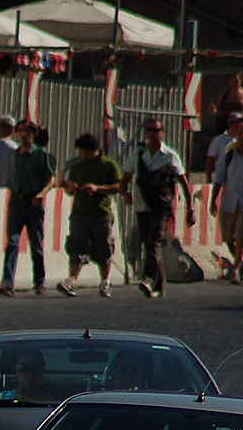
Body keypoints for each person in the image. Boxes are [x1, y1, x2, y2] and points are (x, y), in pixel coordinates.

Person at [123, 118, 194, 299]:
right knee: (149, 245)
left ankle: (147, 278)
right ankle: (159, 286)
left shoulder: (170, 156)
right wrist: (125, 193)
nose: (153, 134)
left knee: (153, 242)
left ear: (162, 132)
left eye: (156, 130)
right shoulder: (138, 155)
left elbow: (184, 183)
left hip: (161, 206)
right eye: (149, 130)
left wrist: (190, 208)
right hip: (142, 205)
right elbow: (125, 177)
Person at [57, 133, 123, 298]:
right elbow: (69, 187)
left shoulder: (109, 165)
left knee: (103, 247)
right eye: (81, 152)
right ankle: (72, 279)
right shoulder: (78, 166)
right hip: (80, 212)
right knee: (75, 246)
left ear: (96, 150)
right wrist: (70, 187)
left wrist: (97, 189)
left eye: (86, 152)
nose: (83, 155)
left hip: (100, 213)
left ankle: (105, 280)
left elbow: (118, 186)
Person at [0, 120, 56, 295]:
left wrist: (42, 193)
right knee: (12, 242)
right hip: (16, 201)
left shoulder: (40, 155)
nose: (23, 135)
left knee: (35, 243)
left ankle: (39, 281)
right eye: (20, 131)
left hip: (33, 202)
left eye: (27, 132)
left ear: (33, 135)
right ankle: (7, 282)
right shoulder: (15, 154)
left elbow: (52, 179)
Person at [209, 111, 243, 284]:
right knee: (228, 238)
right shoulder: (229, 153)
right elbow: (219, 177)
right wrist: (213, 199)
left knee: (240, 236)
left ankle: (236, 269)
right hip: (229, 200)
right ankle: (240, 261)